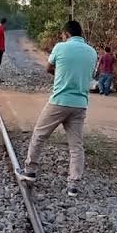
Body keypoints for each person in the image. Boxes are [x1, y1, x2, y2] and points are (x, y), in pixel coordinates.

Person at [18, 20, 97, 197]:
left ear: (67, 34)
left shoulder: (60, 47)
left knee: (39, 134)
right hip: (80, 104)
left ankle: (30, 171)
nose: (62, 37)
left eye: (63, 35)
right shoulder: (92, 52)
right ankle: (73, 185)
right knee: (76, 146)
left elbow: (48, 68)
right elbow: (89, 74)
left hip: (59, 101)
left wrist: (61, 72)